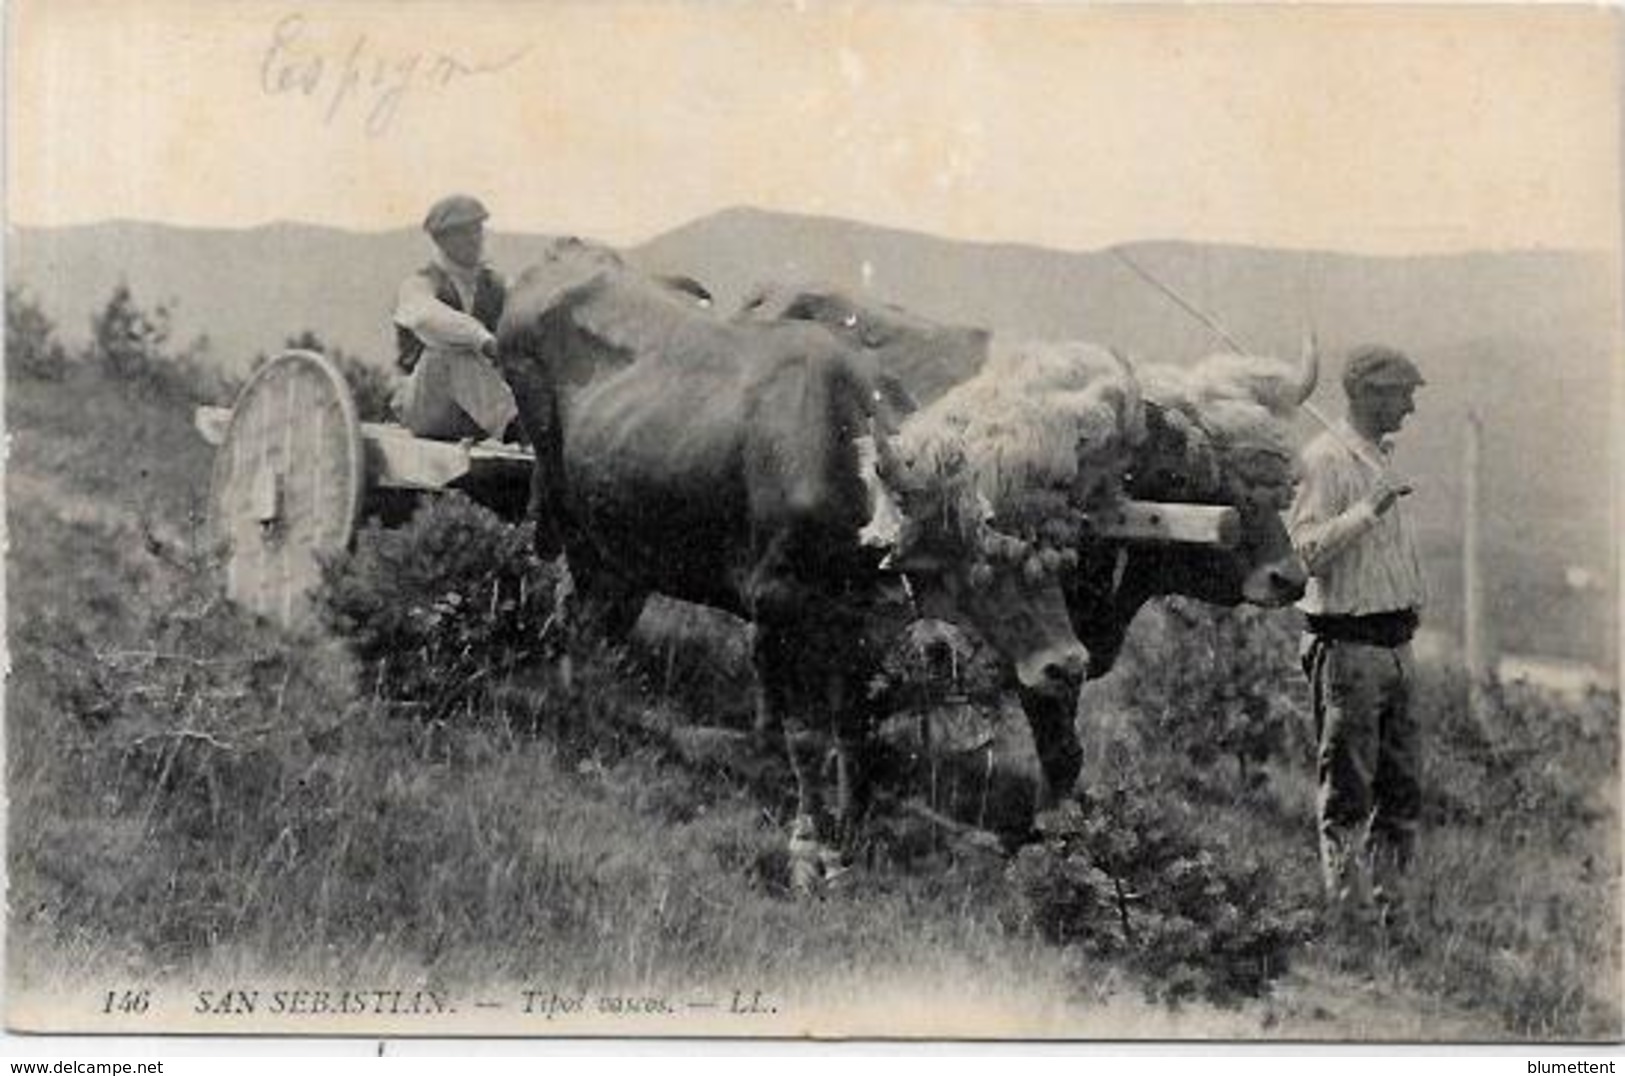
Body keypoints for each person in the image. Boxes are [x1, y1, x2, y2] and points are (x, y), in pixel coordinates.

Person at [1287, 344, 1428, 931]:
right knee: (1349, 792)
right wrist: (1368, 509)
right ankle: (1349, 918)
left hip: (1397, 647)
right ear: (1367, 393)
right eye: (1402, 393)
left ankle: (1391, 915)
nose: (1411, 406)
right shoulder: (1325, 462)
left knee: (1402, 792)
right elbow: (1304, 553)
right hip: (1348, 649)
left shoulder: (1378, 459)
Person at [391, 194, 519, 442]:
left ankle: (532, 426)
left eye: (477, 230)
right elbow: (428, 317)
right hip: (427, 410)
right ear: (441, 239)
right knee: (448, 351)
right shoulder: (418, 285)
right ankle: (516, 428)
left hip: (479, 414)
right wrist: (484, 340)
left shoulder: (496, 285)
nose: (474, 239)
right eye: (462, 233)